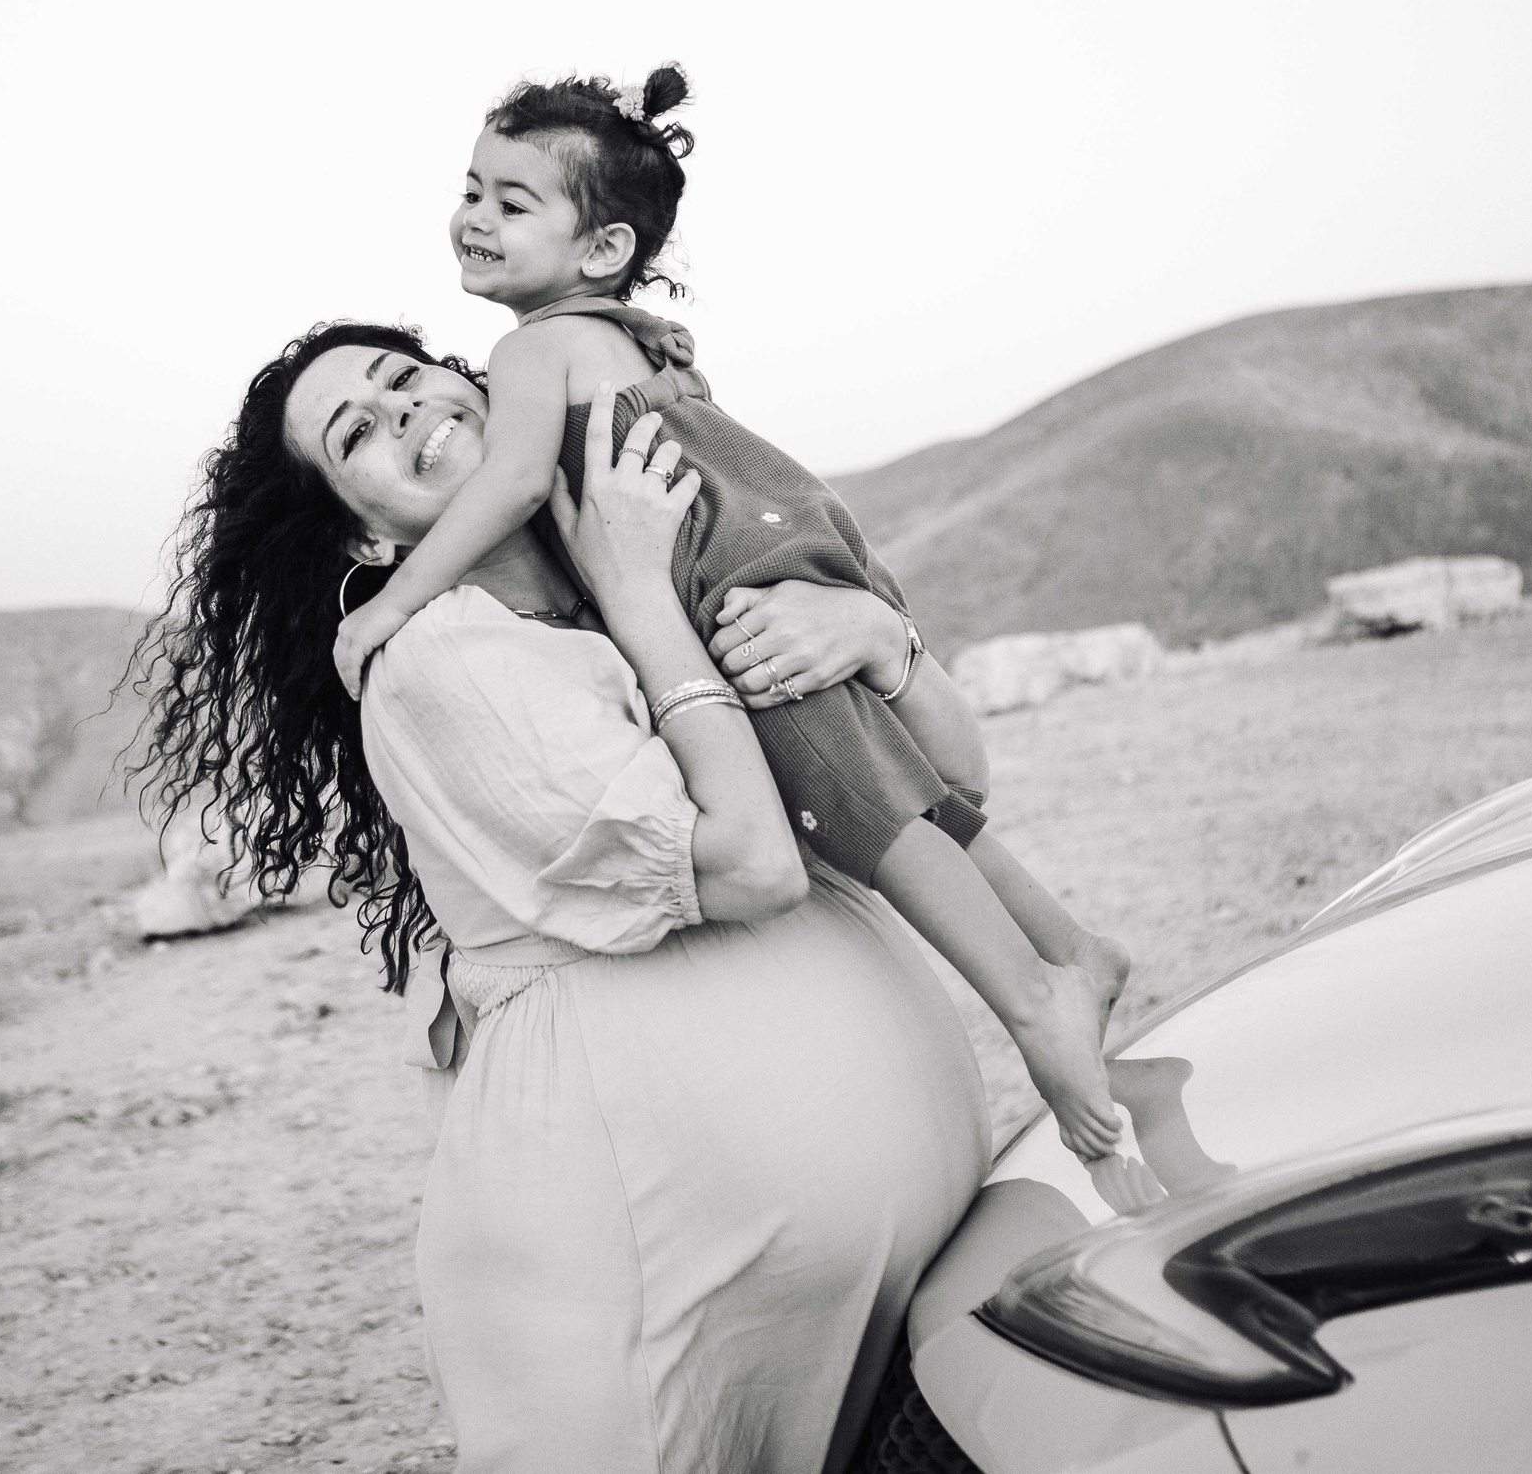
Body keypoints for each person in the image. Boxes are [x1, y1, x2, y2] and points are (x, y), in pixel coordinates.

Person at [133, 321, 990, 1472]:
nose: (405, 416)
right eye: (359, 436)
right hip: (642, 1302)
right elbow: (750, 864)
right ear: (359, 527)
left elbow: (953, 795)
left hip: (875, 1300)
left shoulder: (641, 574)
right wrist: (645, 601)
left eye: (404, 379)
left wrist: (886, 640)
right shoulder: (443, 661)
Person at [331, 63, 1128, 1157]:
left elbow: (513, 482)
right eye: (471, 189)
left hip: (727, 585)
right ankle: (1068, 944)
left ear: (600, 249)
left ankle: (1034, 1003)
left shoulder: (531, 349)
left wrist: (392, 600)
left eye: (512, 205)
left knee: (864, 806)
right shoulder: (624, 333)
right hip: (775, 543)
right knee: (905, 783)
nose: (474, 218)